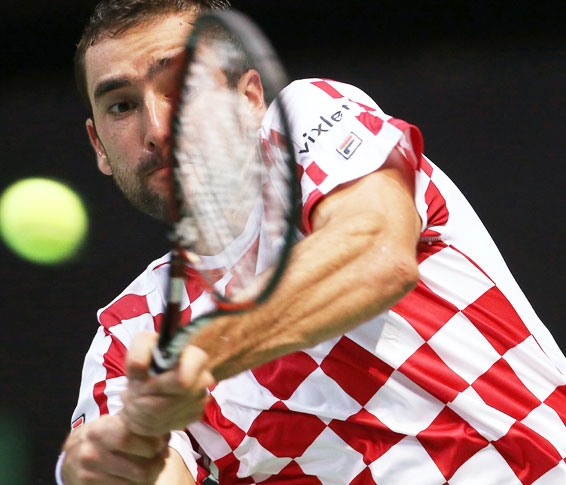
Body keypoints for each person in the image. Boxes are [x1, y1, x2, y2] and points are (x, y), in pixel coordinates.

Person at [58, 1, 566, 483]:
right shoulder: (126, 338)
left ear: (250, 97)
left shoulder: (308, 125)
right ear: (99, 146)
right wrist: (107, 462)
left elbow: (374, 257)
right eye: (121, 106)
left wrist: (199, 354)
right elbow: (151, 468)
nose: (156, 128)